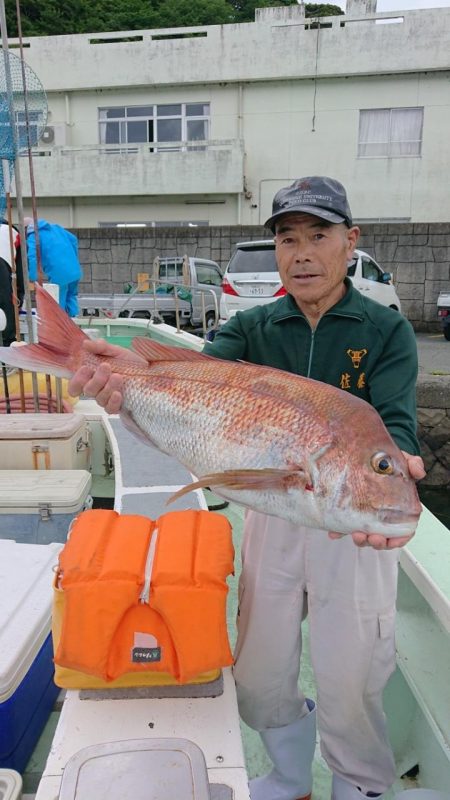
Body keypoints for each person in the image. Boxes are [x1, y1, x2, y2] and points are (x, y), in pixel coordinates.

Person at [67, 176, 425, 800]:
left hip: (351, 526)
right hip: (273, 509)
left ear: (351, 243)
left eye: (320, 236)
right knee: (260, 671)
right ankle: (290, 776)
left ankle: (361, 786)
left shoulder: (385, 330)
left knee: (353, 675)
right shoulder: (256, 325)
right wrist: (122, 379)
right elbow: (192, 382)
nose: (303, 253)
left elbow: (394, 426)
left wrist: (400, 464)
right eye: (288, 240)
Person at [24, 217, 82, 317]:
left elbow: (32, 257)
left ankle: (62, 329)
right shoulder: (56, 228)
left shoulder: (33, 236)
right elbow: (73, 239)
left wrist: (32, 277)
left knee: (58, 303)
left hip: (59, 274)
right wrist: (73, 258)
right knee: (71, 296)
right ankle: (74, 322)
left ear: (25, 228)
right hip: (74, 270)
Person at [0, 218, 24, 347]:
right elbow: (20, 272)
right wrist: (20, 296)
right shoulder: (13, 232)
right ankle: (8, 343)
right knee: (7, 303)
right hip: (2, 264)